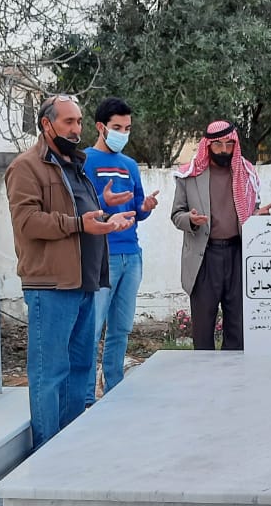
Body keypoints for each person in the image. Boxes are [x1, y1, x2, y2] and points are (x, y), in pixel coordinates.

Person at [4, 94, 134, 450]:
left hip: (85, 282)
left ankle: (70, 449)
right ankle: (46, 452)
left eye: (79, 121)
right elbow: (28, 222)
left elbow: (83, 214)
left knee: (79, 369)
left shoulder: (75, 164)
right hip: (51, 285)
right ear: (47, 124)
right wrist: (79, 224)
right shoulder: (26, 167)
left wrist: (108, 219)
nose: (77, 129)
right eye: (69, 122)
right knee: (50, 373)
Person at [82, 97, 159, 404]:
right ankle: (86, 397)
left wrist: (145, 207)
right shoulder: (84, 161)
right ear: (100, 127)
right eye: (117, 128)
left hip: (132, 256)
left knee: (121, 329)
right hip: (102, 256)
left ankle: (113, 390)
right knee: (92, 329)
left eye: (127, 128)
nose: (123, 134)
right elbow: (80, 209)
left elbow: (137, 210)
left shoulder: (129, 165)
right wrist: (104, 203)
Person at [170, 120, 271, 350]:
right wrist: (191, 220)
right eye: (218, 144)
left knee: (238, 326)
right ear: (208, 145)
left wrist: (258, 216)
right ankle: (204, 372)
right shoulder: (189, 175)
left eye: (229, 144)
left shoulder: (246, 173)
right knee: (203, 327)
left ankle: (234, 373)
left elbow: (251, 211)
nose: (224, 150)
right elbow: (176, 214)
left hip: (238, 254)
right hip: (204, 257)